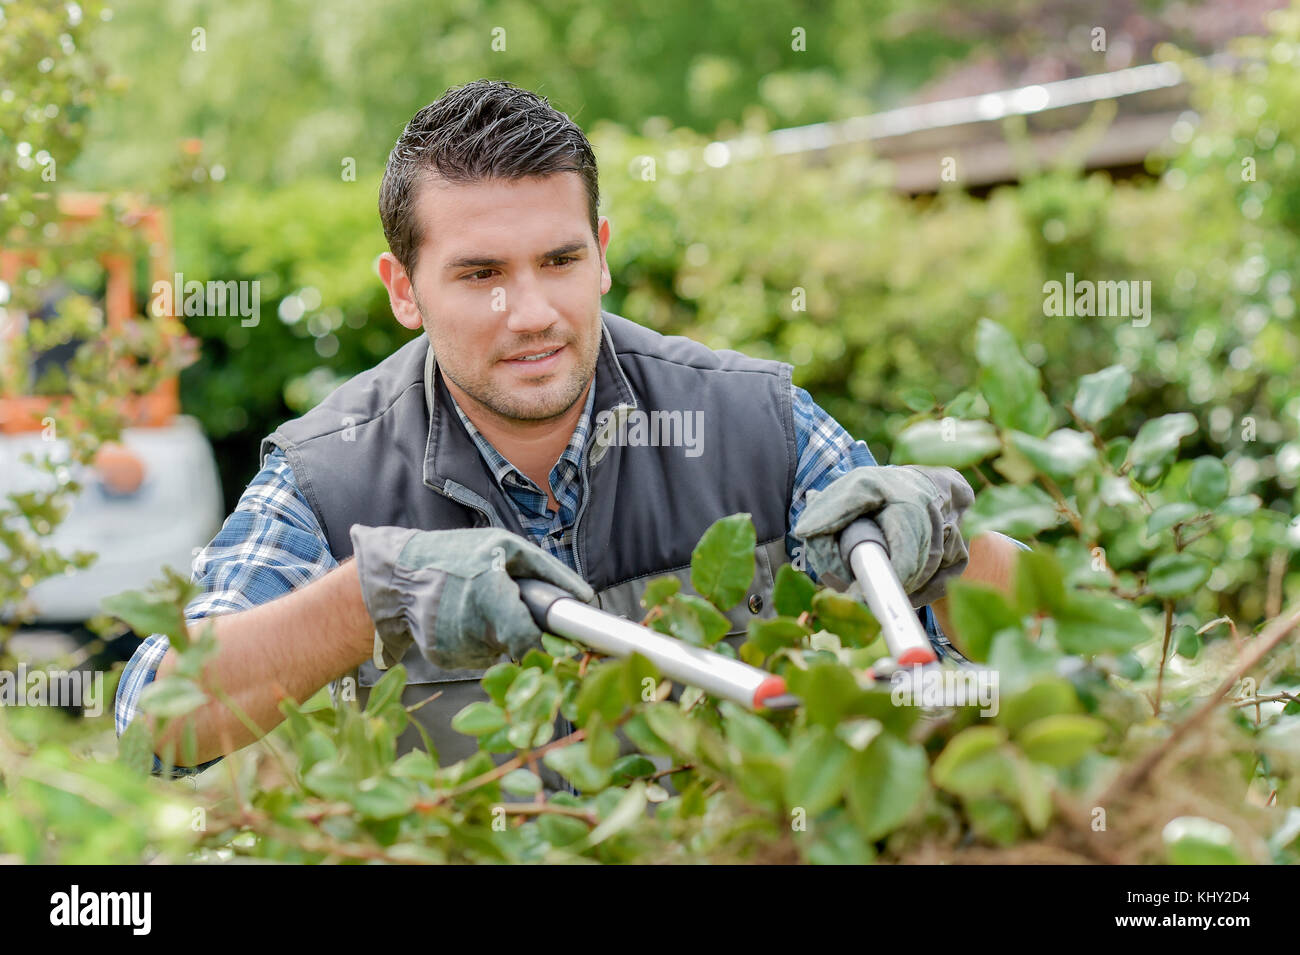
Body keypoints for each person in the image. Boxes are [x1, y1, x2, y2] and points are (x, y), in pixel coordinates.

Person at [115, 79, 1027, 776]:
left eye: (560, 260)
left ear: (600, 252)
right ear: (404, 291)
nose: (533, 313)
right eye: (480, 275)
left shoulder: (753, 419)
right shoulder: (329, 475)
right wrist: (369, 599)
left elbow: (1045, 643)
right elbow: (154, 728)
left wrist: (947, 548)